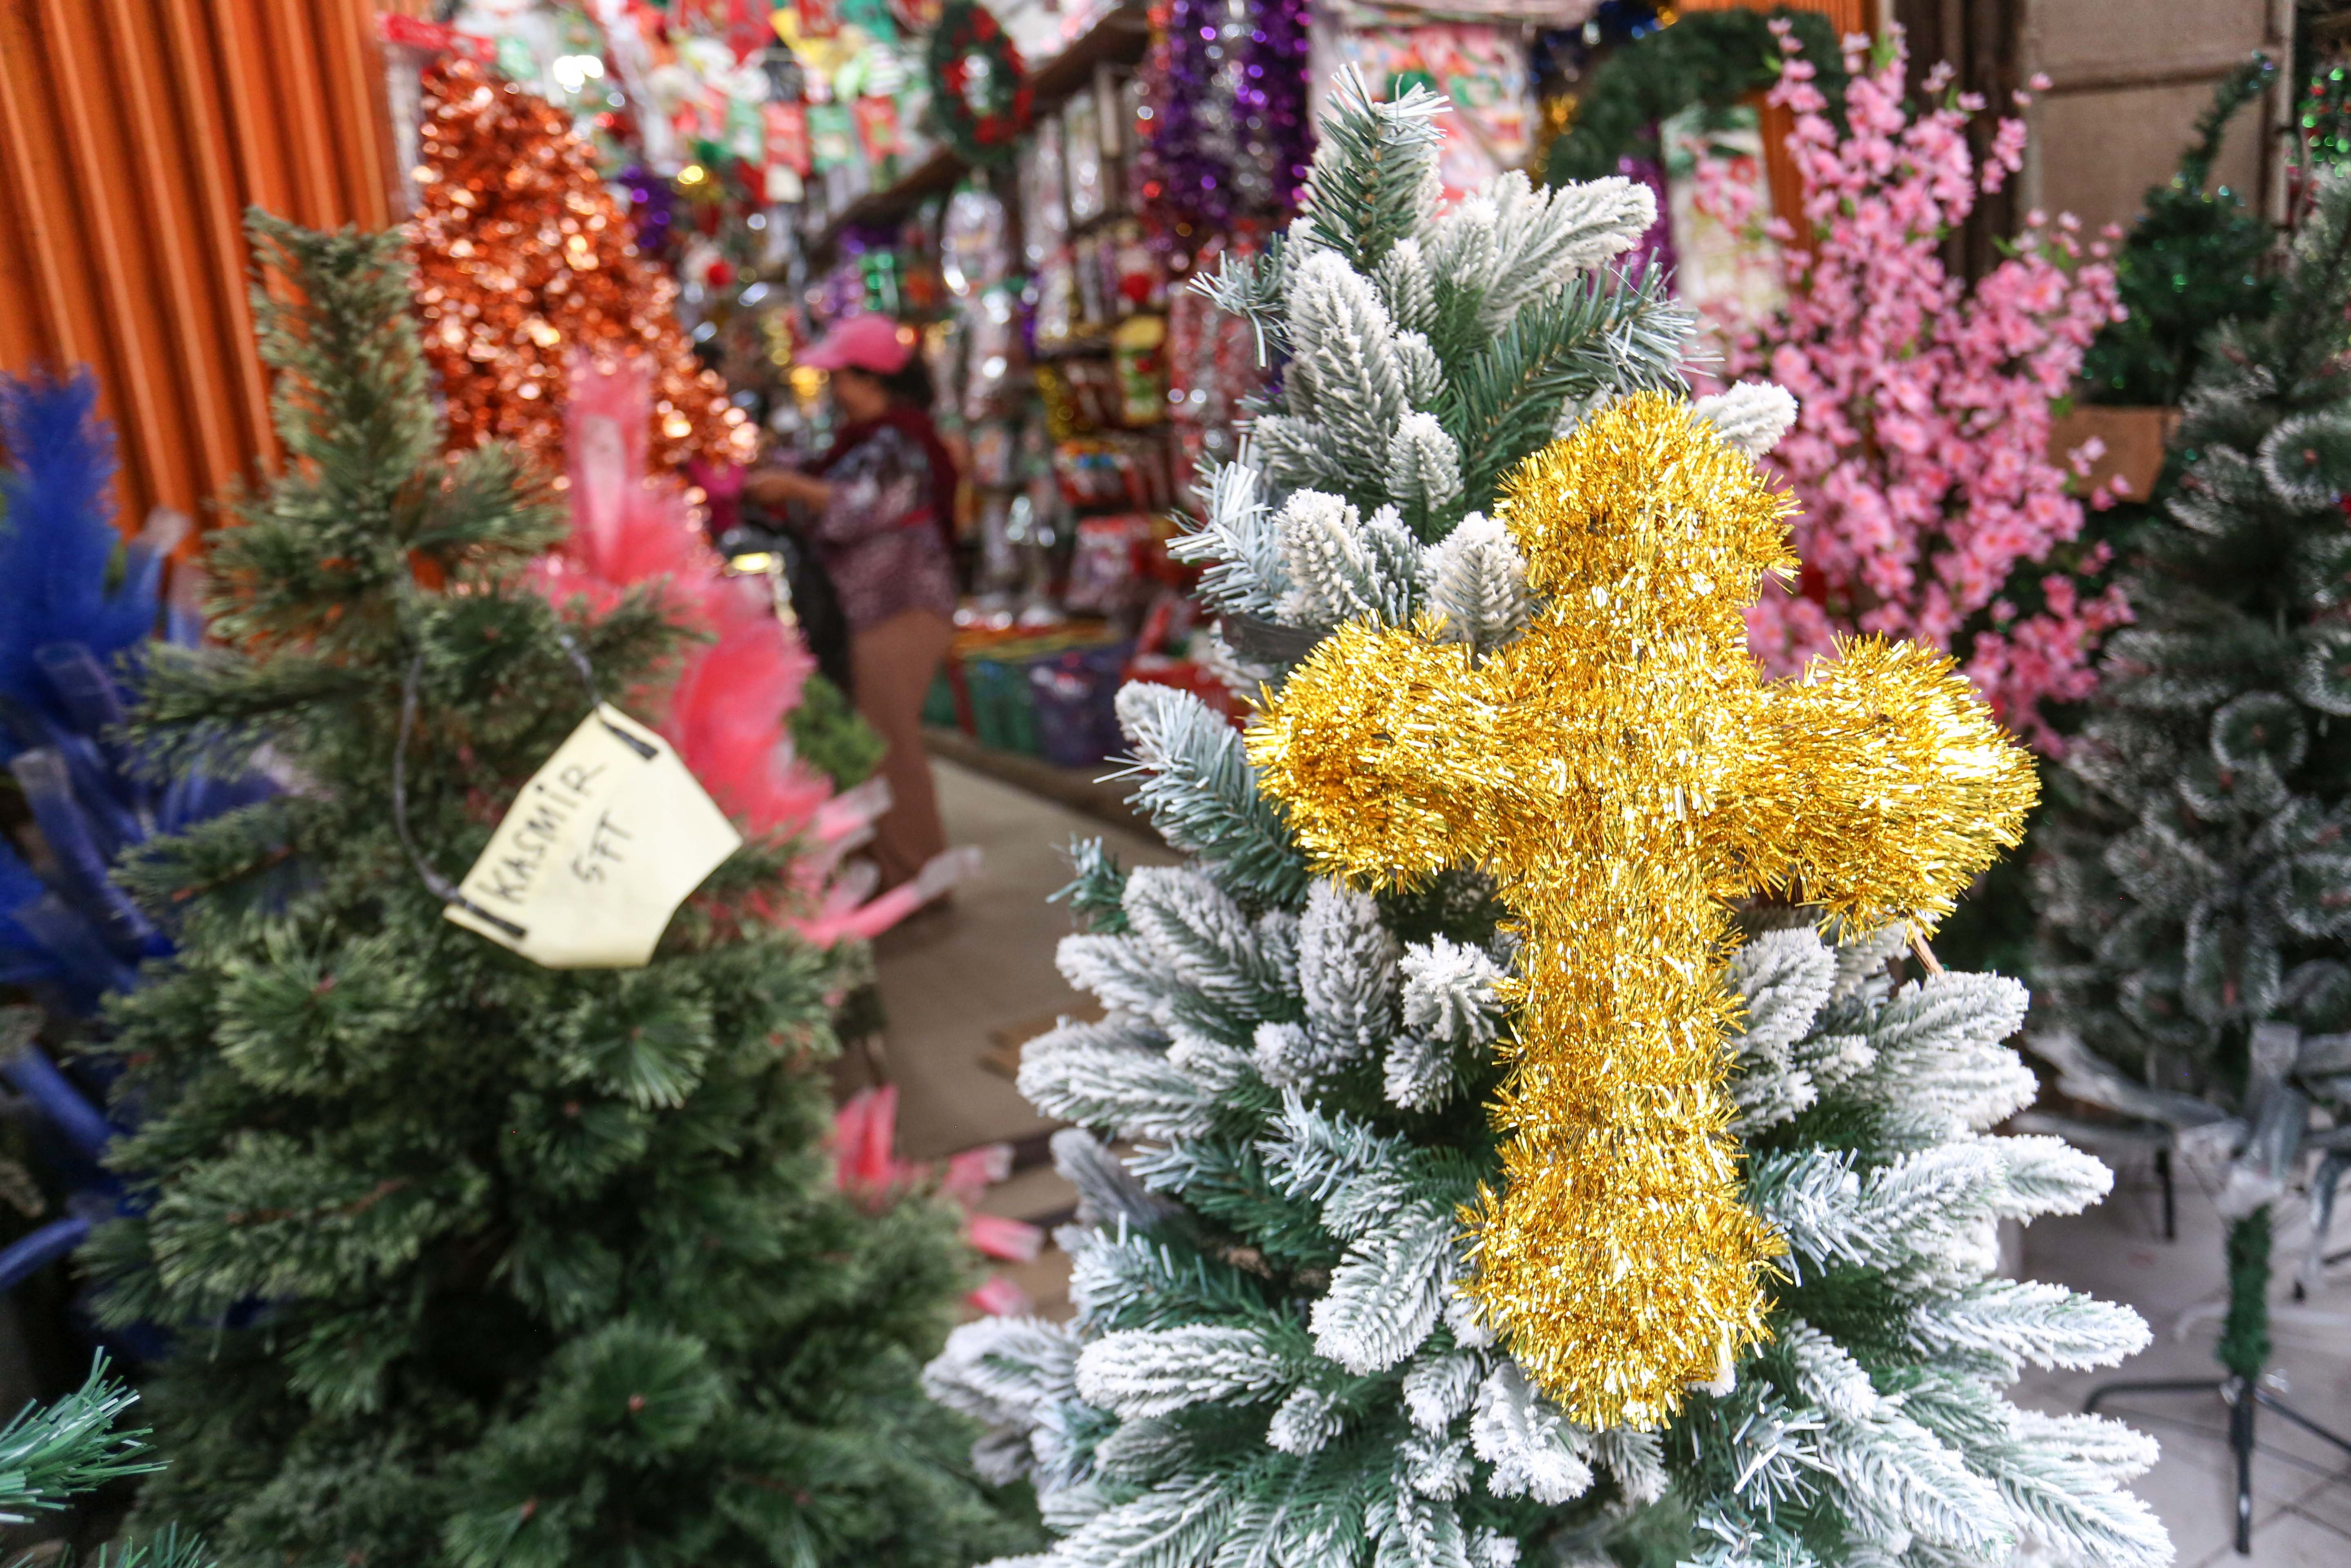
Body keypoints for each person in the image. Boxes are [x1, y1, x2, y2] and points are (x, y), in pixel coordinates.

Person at [744, 314, 959, 894]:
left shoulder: (901, 442)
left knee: (890, 748)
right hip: (872, 614)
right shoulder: (868, 441)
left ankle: (916, 877)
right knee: (878, 744)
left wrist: (792, 488)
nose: (834, 390)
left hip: (900, 612)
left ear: (871, 380)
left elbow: (859, 507)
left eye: (841, 377)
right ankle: (898, 874)